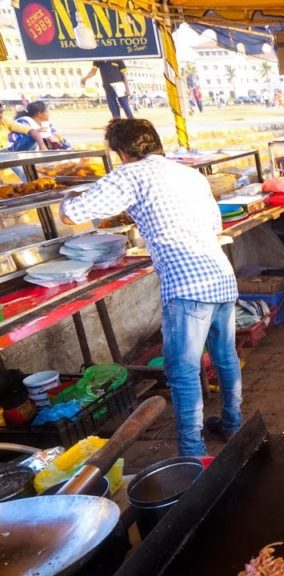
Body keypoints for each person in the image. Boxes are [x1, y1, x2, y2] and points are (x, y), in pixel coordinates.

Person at [60, 119, 241, 457]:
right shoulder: (190, 174)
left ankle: (192, 451)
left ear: (122, 152)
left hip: (188, 286)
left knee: (184, 372)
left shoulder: (131, 174)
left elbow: (73, 214)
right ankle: (233, 424)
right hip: (220, 275)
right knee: (225, 358)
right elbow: (214, 224)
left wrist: (67, 196)